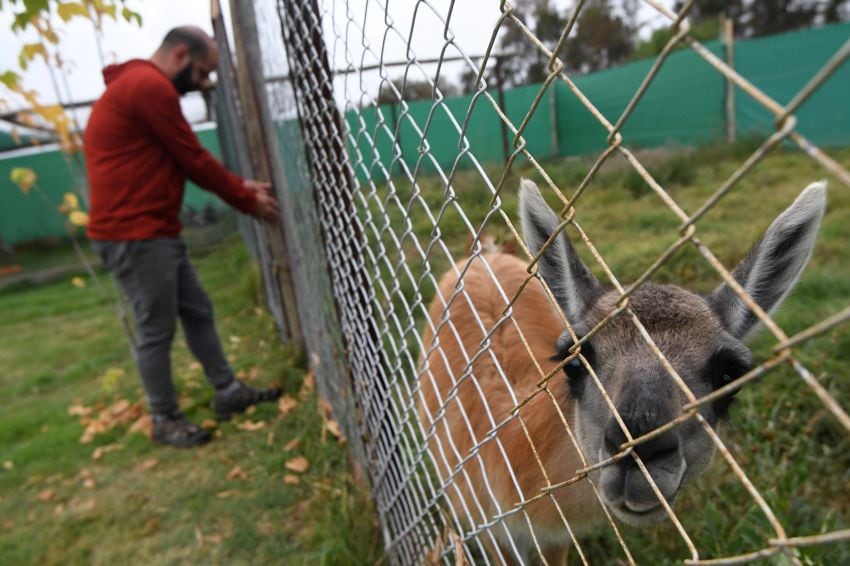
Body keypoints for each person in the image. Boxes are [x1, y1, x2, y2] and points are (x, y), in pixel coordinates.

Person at [84, 26, 282, 448]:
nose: (204, 83)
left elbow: (184, 158)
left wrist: (239, 186)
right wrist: (245, 199)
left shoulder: (138, 86)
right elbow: (191, 157)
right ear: (179, 55)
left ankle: (228, 392)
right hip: (134, 234)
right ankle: (164, 418)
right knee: (156, 327)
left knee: (197, 310)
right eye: (203, 72)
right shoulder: (148, 87)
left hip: (151, 229)